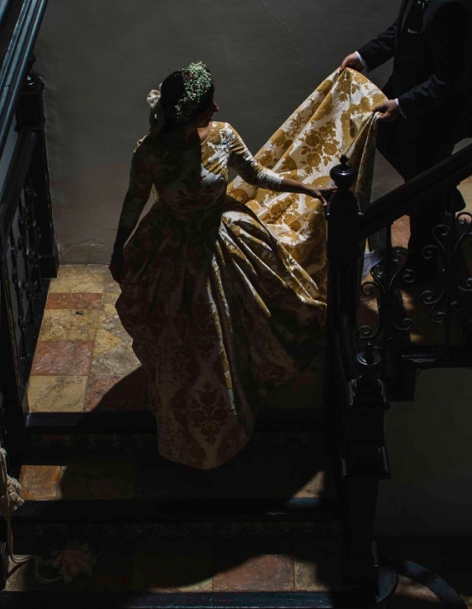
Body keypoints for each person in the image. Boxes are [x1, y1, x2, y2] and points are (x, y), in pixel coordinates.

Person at [109, 61, 384, 469]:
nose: (217, 108)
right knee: (181, 339)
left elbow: (256, 175)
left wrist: (306, 187)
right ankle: (184, 423)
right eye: (208, 105)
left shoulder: (222, 136)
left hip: (223, 238)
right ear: (187, 114)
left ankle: (233, 408)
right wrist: (119, 248)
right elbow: (134, 201)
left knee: (229, 332)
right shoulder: (149, 152)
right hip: (172, 249)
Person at [339, 0, 472, 278]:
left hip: (439, 111)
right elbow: (402, 30)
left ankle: (423, 266)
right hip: (413, 94)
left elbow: (451, 79)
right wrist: (364, 55)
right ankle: (445, 191)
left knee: (422, 192)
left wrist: (401, 104)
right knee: (386, 138)